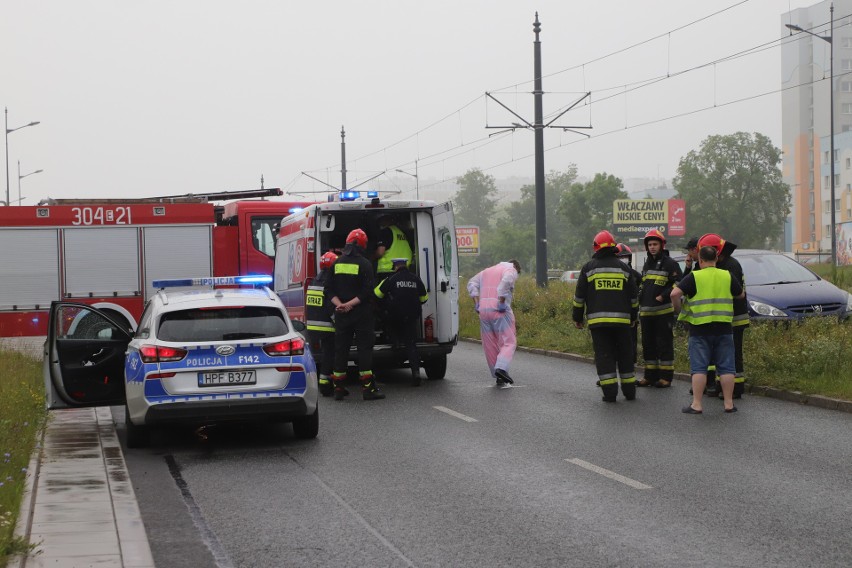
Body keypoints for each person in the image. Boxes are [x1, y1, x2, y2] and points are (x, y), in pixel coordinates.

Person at [671, 244, 745, 413]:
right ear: (716, 259)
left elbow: (674, 294)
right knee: (727, 367)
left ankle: (696, 404)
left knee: (699, 367)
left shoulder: (694, 276)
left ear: (701, 260)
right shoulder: (727, 275)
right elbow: (740, 294)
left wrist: (679, 309)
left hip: (700, 329)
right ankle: (729, 404)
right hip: (724, 327)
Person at [572, 231, 639, 402]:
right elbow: (633, 296)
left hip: (598, 323)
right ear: (613, 247)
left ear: (595, 247)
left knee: (604, 356)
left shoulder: (588, 268)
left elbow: (580, 296)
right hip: (623, 323)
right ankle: (630, 392)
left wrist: (577, 317)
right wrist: (633, 317)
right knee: (625, 355)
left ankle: (610, 393)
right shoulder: (624, 268)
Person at [324, 228, 384, 401]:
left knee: (341, 350)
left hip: (341, 314)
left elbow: (328, 289)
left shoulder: (336, 263)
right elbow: (367, 291)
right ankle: (368, 389)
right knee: (364, 349)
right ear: (362, 245)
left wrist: (340, 305)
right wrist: (350, 305)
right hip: (361, 314)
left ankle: (338, 388)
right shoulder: (365, 264)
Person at [698, 233, 750, 399]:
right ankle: (723, 386)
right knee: (723, 353)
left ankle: (736, 388)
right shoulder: (724, 264)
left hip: (735, 317)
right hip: (724, 317)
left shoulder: (731, 266)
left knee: (734, 354)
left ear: (717, 251)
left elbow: (736, 293)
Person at [637, 229, 683, 388]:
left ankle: (665, 377)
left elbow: (679, 284)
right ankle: (650, 376)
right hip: (646, 313)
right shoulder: (647, 262)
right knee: (648, 345)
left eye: (655, 244)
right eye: (649, 244)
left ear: (662, 245)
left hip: (663, 313)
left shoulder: (670, 263)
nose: (652, 247)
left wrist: (663, 295)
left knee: (664, 344)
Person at [374, 257, 429, 386]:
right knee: (411, 344)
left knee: (388, 322)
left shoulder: (390, 279)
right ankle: (416, 373)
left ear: (395, 267)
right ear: (406, 265)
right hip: (411, 317)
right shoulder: (416, 279)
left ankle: (395, 343)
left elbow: (376, 295)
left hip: (394, 316)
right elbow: (424, 298)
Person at [467, 259, 521, 386]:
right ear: (517, 269)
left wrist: (477, 302)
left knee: (490, 343)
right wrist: (501, 301)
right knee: (509, 341)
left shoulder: (486, 271)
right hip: (499, 310)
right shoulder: (510, 269)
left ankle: (498, 375)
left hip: (484, 311)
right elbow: (506, 282)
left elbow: (471, 283)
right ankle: (501, 368)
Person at [306, 251, 338, 397]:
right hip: (327, 326)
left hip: (312, 326)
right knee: (330, 356)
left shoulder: (314, 281)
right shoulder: (329, 283)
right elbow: (330, 306)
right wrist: (339, 322)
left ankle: (320, 383)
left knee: (318, 357)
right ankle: (327, 385)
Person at [616, 243, 642, 364]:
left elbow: (641, 291)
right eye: (621, 257)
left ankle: (631, 360)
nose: (624, 260)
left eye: (626, 257)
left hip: (631, 312)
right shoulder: (613, 275)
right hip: (617, 312)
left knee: (631, 338)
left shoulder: (636, 275)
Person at [374, 214, 413, 282]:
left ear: (386, 220)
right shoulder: (401, 232)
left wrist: (371, 257)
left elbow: (380, 252)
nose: (380, 223)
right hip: (404, 269)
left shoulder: (385, 231)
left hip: (388, 271)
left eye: (380, 220)